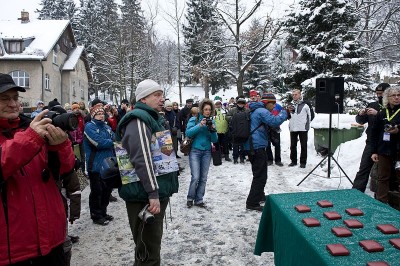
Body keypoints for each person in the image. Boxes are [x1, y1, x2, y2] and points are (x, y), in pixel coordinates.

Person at [0, 73, 75, 265]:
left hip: (51, 240)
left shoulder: (30, 128)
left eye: (15, 98)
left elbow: (65, 169)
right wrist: (31, 138)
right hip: (13, 250)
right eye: (4, 99)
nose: (13, 104)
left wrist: (60, 145)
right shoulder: (32, 132)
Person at [115, 79, 179, 265]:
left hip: (150, 194)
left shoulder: (151, 118)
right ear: (143, 98)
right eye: (156, 95)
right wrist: (153, 193)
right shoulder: (138, 119)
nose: (162, 99)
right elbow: (141, 158)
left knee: (150, 248)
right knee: (147, 255)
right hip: (144, 197)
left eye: (162, 94)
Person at [244, 93, 287, 211]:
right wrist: (285, 112)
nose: (274, 106)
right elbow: (274, 121)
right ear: (267, 102)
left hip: (252, 146)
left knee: (258, 173)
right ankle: (252, 202)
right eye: (273, 104)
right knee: (260, 176)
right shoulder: (261, 111)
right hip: (257, 147)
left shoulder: (255, 109)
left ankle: (259, 196)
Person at [353, 83, 390, 192]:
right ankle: (356, 192)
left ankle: (383, 196)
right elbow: (360, 121)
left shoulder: (391, 106)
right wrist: (360, 114)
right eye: (377, 93)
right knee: (363, 169)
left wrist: (377, 114)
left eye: (381, 93)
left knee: (385, 172)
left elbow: (391, 121)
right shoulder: (373, 104)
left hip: (386, 144)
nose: (379, 96)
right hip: (371, 142)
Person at [83, 105, 115, 225]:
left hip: (108, 164)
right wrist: (112, 142)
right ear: (93, 116)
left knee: (107, 190)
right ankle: (96, 215)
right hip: (95, 165)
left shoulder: (106, 127)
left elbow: (114, 136)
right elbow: (99, 143)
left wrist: (111, 141)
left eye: (102, 113)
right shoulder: (89, 127)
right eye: (98, 114)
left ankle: (103, 212)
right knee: (97, 191)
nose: (101, 115)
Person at [186, 98, 218, 208]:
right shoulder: (194, 120)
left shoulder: (212, 121)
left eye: (209, 109)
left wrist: (212, 130)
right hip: (195, 151)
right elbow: (188, 133)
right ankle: (190, 198)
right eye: (205, 109)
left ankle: (199, 199)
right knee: (195, 176)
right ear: (201, 110)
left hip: (207, 152)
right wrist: (200, 125)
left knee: (203, 178)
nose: (208, 112)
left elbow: (215, 140)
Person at [371, 85, 400, 204]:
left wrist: (398, 130)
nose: (397, 98)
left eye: (399, 95)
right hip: (384, 149)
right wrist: (374, 151)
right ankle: (381, 203)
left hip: (398, 149)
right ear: (387, 97)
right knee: (383, 177)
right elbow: (374, 133)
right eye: (394, 95)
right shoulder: (382, 113)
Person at [288, 88, 312, 168]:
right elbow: (288, 115)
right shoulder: (290, 104)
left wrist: (307, 125)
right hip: (293, 128)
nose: (294, 96)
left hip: (303, 128)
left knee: (303, 146)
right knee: (293, 145)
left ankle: (303, 162)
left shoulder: (306, 104)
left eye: (296, 94)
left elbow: (310, 115)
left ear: (300, 94)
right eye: (293, 95)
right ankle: (293, 161)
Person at [226, 97, 248, 164]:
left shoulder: (246, 110)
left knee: (242, 145)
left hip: (243, 130)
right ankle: (235, 158)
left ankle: (242, 158)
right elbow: (227, 116)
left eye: (242, 103)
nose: (241, 104)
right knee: (235, 145)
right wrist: (233, 118)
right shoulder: (233, 110)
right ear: (237, 103)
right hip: (235, 129)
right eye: (239, 103)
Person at [266, 102, 284, 166]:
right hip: (267, 126)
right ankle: (269, 159)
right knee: (267, 144)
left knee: (277, 144)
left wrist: (279, 120)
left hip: (276, 126)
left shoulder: (278, 106)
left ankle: (278, 160)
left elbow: (282, 114)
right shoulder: (265, 106)